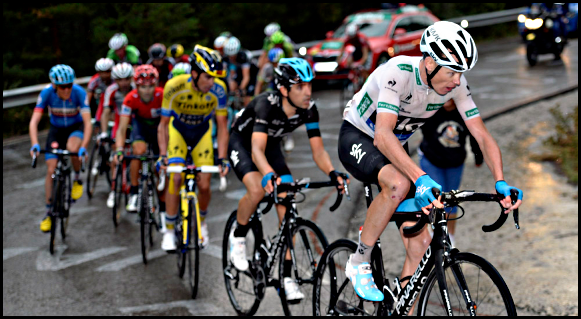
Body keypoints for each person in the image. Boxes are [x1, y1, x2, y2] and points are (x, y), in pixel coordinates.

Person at [337, 21, 523, 306]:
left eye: (460, 73)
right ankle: (359, 259)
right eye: (451, 72)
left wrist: (500, 180)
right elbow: (383, 135)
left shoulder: (454, 87)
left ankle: (403, 309)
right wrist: (420, 176)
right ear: (429, 63)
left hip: (394, 147)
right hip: (360, 136)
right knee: (399, 183)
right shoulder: (398, 72)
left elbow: (482, 135)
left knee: (422, 246)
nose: (457, 81)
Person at [227, 57, 349, 302]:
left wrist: (332, 172)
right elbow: (256, 151)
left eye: (309, 85)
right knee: (256, 189)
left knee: (288, 205)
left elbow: (318, 151)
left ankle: (286, 277)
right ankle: (238, 237)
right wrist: (268, 175)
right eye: (300, 86)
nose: (308, 92)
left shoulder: (309, 109)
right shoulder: (265, 105)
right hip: (244, 143)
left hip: (270, 146)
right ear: (283, 89)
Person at [157, 45, 230, 251]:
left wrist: (222, 158)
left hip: (202, 134)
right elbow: (162, 125)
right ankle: (170, 230)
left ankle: (202, 222)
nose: (212, 82)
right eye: (207, 77)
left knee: (205, 184)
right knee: (176, 177)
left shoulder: (219, 90)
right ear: (195, 73)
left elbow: (223, 127)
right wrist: (163, 155)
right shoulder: (174, 86)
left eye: (214, 77)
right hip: (178, 132)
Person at [29, 64, 92, 232]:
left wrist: (84, 147)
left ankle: (77, 177)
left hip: (75, 128)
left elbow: (87, 123)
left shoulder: (79, 93)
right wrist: (34, 144)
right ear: (55, 86)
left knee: (73, 148)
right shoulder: (47, 93)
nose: (67, 90)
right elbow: (34, 121)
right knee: (51, 170)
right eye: (63, 86)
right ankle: (49, 211)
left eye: (69, 85)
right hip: (56, 131)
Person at [417, 100, 484, 247]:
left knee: (452, 200)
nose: (447, 101)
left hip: (455, 163)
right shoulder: (432, 109)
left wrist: (478, 156)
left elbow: (474, 135)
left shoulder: (463, 111)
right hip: (432, 160)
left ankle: (450, 237)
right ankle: (435, 234)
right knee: (436, 198)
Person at [113, 65, 165, 214]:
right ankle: (134, 192)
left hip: (159, 129)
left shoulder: (162, 96)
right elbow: (122, 128)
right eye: (143, 87)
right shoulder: (130, 98)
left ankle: (163, 207)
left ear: (155, 85)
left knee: (159, 166)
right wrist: (119, 149)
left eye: (150, 86)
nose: (147, 91)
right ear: (136, 86)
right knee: (138, 152)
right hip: (140, 127)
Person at [100, 63, 136, 208]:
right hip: (119, 123)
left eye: (127, 79)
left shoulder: (136, 87)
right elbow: (105, 112)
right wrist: (103, 133)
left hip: (134, 122)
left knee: (136, 153)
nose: (124, 83)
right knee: (116, 156)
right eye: (120, 80)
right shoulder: (111, 90)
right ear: (115, 80)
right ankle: (114, 191)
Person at [224, 36, 258, 107]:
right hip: (239, 73)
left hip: (251, 75)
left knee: (247, 97)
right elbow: (232, 75)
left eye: (233, 55)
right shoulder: (226, 58)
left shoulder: (243, 56)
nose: (231, 58)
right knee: (232, 86)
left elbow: (246, 77)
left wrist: (241, 89)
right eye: (230, 56)